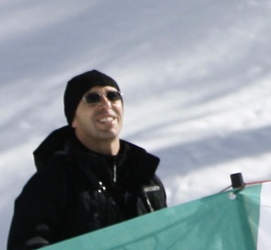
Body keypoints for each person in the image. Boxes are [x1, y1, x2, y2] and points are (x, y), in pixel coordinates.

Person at [7, 70, 166, 250]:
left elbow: (169, 239)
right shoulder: (51, 182)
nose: (106, 104)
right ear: (73, 119)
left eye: (113, 96)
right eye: (93, 98)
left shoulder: (146, 179)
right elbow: (27, 244)